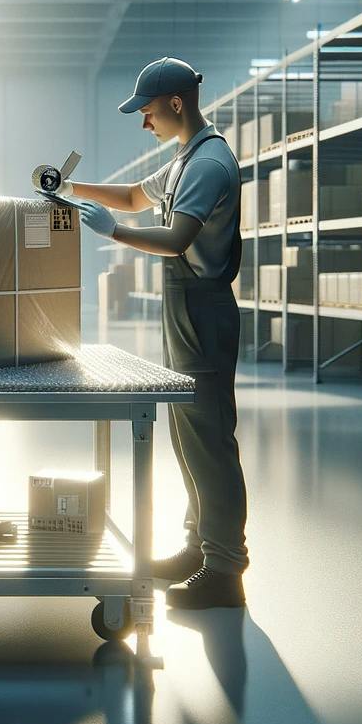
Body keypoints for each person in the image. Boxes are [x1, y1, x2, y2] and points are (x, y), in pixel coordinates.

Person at [63, 56, 248, 610]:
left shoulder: (210, 164)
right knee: (186, 436)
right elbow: (132, 196)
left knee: (210, 441)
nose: (144, 124)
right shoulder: (184, 158)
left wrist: (113, 233)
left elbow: (172, 239)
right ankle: (199, 547)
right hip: (183, 307)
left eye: (146, 112)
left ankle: (225, 569)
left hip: (204, 309)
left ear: (174, 103)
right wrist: (71, 187)